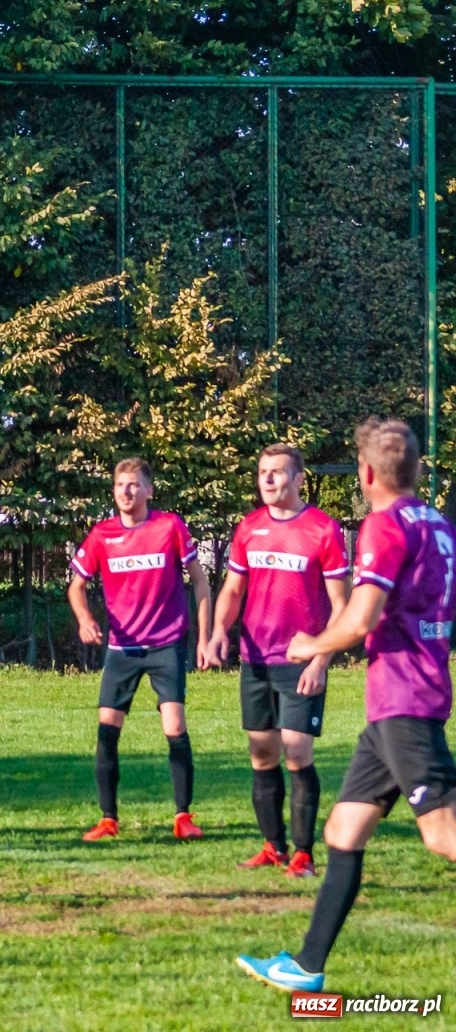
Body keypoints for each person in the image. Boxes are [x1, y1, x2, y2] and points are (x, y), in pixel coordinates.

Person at [238, 418, 456, 993]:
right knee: (343, 830)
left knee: (441, 834)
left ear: (365, 473)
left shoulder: (383, 527)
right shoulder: (435, 520)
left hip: (405, 697)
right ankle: (307, 967)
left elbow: (360, 620)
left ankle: (307, 965)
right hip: (398, 701)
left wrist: (311, 643)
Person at [207, 445, 348, 878]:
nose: (268, 480)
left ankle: (304, 854)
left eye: (278, 473)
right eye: (263, 472)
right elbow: (232, 591)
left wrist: (320, 660)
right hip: (255, 659)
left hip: (299, 659)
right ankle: (273, 846)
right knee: (262, 754)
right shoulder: (248, 528)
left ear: (300, 479)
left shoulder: (323, 530)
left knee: (297, 752)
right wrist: (217, 633)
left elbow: (342, 606)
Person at [67, 457, 212, 842]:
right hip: (123, 648)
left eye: (133, 485)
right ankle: (108, 819)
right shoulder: (102, 534)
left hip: (165, 644)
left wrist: (205, 635)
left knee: (175, 726)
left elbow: (200, 582)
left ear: (149, 489)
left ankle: (183, 816)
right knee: (107, 730)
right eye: (120, 485)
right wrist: (84, 619)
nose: (126, 492)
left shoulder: (169, 527)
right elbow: (76, 586)